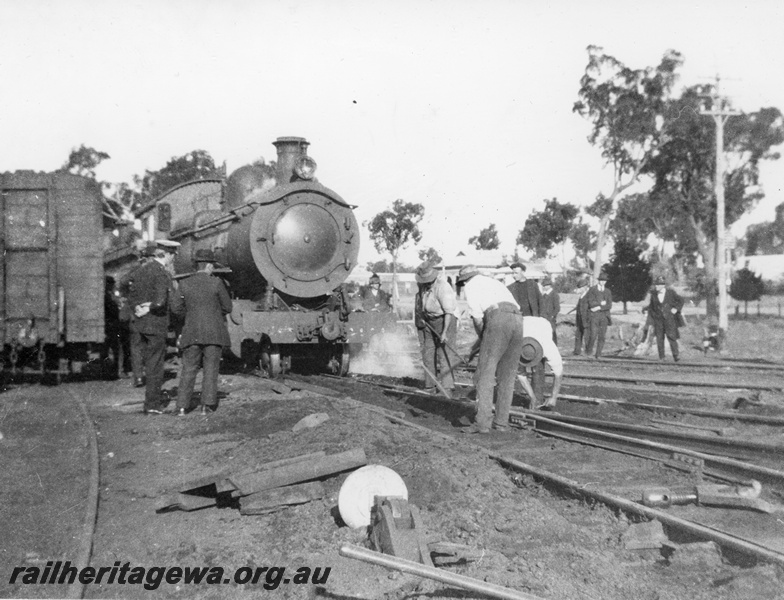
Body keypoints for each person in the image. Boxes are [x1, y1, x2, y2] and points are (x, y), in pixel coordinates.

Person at [457, 265, 524, 433]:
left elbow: (478, 320)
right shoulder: (494, 282)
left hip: (498, 319)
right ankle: (501, 423)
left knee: (484, 375)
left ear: (465, 280)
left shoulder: (471, 286)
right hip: (517, 321)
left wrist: (483, 339)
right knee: (507, 376)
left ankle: (482, 424)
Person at [171, 249, 233, 415]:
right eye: (212, 265)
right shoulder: (216, 283)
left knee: (189, 368)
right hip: (213, 333)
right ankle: (207, 405)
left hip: (192, 332)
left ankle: (182, 407)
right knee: (211, 368)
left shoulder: (184, 283)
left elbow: (175, 308)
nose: (212, 268)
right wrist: (213, 313)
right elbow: (228, 307)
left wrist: (191, 315)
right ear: (208, 265)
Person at [127, 239, 181, 415]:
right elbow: (160, 301)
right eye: (172, 255)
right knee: (155, 366)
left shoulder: (141, 271)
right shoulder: (161, 273)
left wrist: (138, 308)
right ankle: (152, 404)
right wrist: (150, 307)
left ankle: (150, 402)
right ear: (165, 254)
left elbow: (132, 296)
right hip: (156, 325)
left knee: (148, 363)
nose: (173, 259)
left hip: (141, 324)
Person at [413, 262, 460, 394]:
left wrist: (444, 333)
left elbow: (449, 312)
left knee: (444, 354)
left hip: (445, 320)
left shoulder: (443, 287)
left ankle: (447, 387)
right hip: (429, 321)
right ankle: (430, 386)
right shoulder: (423, 287)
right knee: (428, 353)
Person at [515, 316, 564, 411]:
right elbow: (521, 375)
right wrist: (532, 397)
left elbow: (559, 373)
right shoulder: (515, 347)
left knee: (538, 368)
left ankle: (539, 396)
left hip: (543, 323)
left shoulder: (548, 348)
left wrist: (554, 397)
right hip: (522, 324)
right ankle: (536, 398)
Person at [119, 247, 151, 386]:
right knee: (152, 347)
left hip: (136, 316)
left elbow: (123, 282)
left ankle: (138, 377)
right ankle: (152, 375)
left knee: (137, 347)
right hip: (152, 316)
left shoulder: (135, 273)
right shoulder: (159, 272)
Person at [647, 276, 685, 362]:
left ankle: (676, 355)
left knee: (671, 336)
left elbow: (681, 300)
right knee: (659, 338)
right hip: (658, 320)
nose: (656, 287)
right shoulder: (653, 295)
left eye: (658, 285)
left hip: (669, 319)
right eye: (656, 285)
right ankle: (662, 357)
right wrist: (654, 315)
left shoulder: (671, 293)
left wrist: (676, 309)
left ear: (663, 285)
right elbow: (651, 307)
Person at [585, 269, 613, 358]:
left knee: (602, 336)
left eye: (604, 281)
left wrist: (599, 306)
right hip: (594, 316)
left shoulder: (608, 291)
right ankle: (589, 352)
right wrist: (601, 304)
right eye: (601, 280)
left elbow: (609, 305)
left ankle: (598, 354)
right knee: (593, 335)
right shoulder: (592, 290)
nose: (602, 282)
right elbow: (590, 302)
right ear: (598, 280)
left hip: (604, 316)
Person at [572, 276, 592, 356]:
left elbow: (590, 308)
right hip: (580, 320)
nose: (579, 289)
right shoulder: (581, 296)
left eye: (580, 288)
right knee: (578, 335)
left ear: (584, 287)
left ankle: (588, 352)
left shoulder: (588, 296)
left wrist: (589, 319)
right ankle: (577, 351)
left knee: (587, 337)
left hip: (586, 320)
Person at [539, 277, 560, 343]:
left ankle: (555, 348)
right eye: (543, 285)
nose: (544, 287)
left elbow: (557, 308)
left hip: (550, 318)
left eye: (545, 285)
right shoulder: (543, 295)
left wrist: (552, 316)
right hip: (544, 317)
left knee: (552, 333)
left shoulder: (554, 294)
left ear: (549, 286)